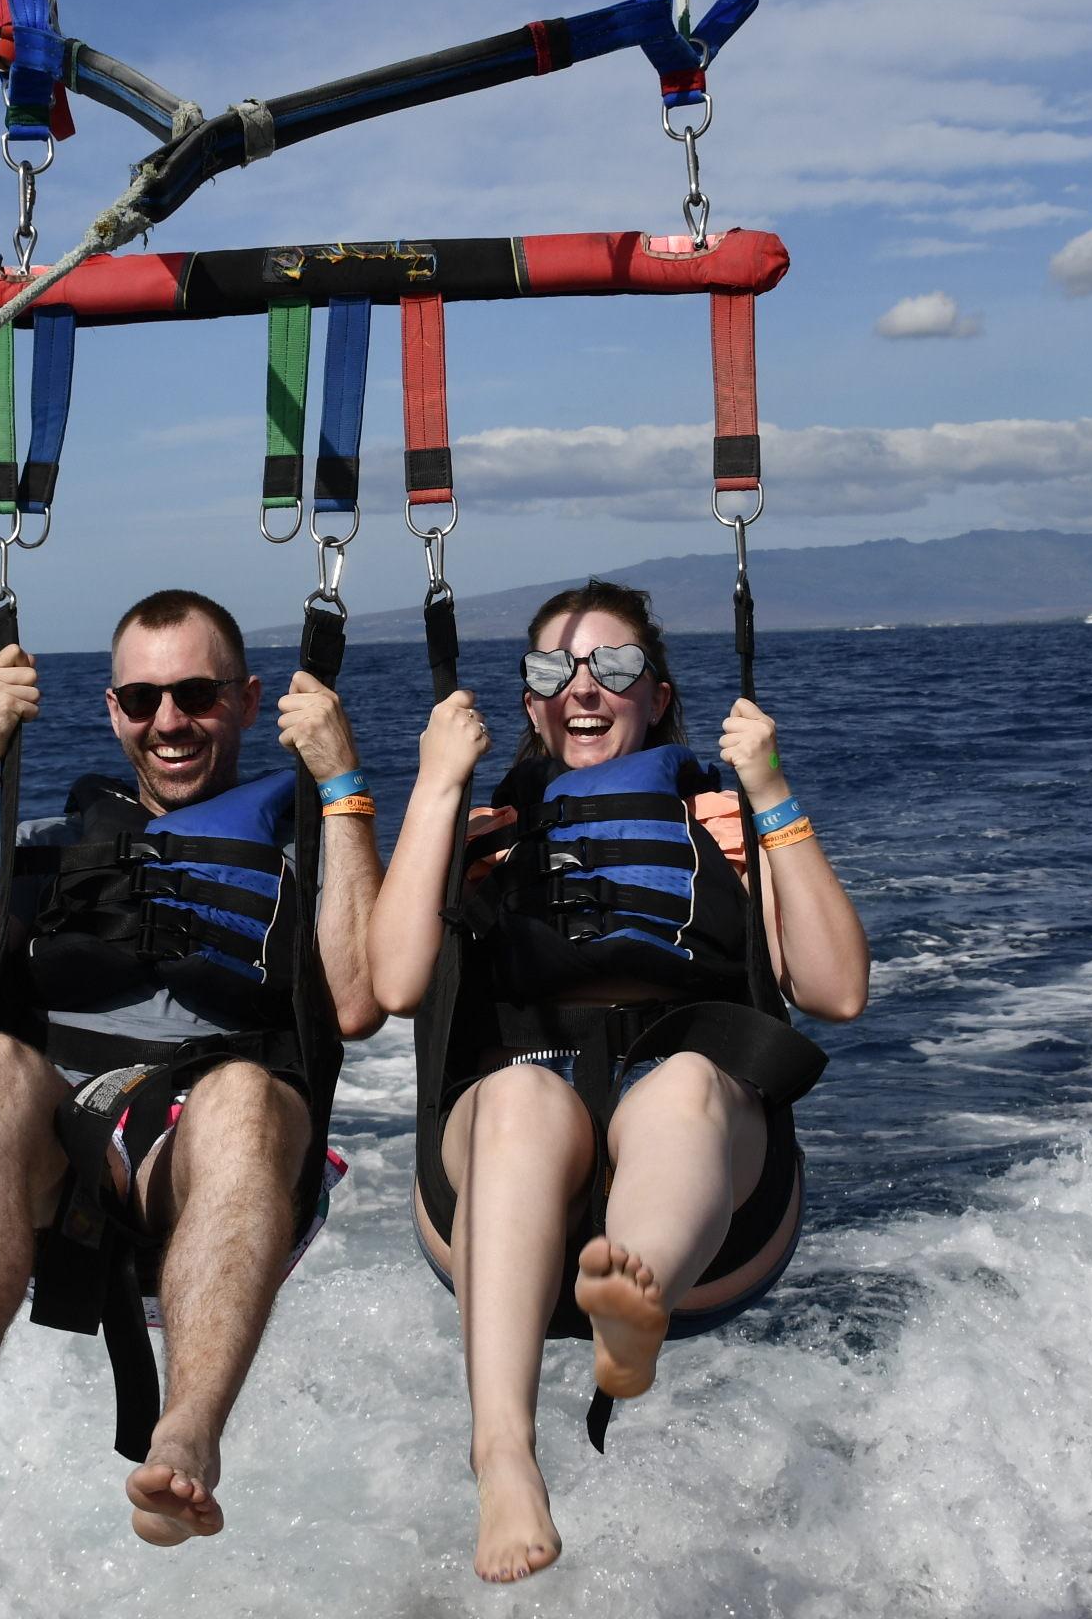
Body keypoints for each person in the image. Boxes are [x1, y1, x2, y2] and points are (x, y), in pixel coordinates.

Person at [368, 579, 869, 1583]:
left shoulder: (719, 823)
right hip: (509, 1150)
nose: (582, 685)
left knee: (684, 1083)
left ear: (657, 696)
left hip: (706, 1176)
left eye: (616, 666)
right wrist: (434, 789)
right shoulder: (480, 829)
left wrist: (770, 796)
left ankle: (628, 1304)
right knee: (518, 1093)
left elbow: (835, 989)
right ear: (526, 700)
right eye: (553, 669)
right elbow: (391, 983)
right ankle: (502, 1450)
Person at [0, 588, 382, 1543]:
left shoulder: (304, 846)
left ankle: (186, 1437)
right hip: (65, 1151)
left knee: (236, 1094)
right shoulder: (47, 846)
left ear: (246, 697)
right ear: (112, 711)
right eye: (141, 701)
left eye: (196, 694)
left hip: (214, 1144)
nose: (169, 722)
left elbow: (354, 1001)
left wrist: (341, 780)